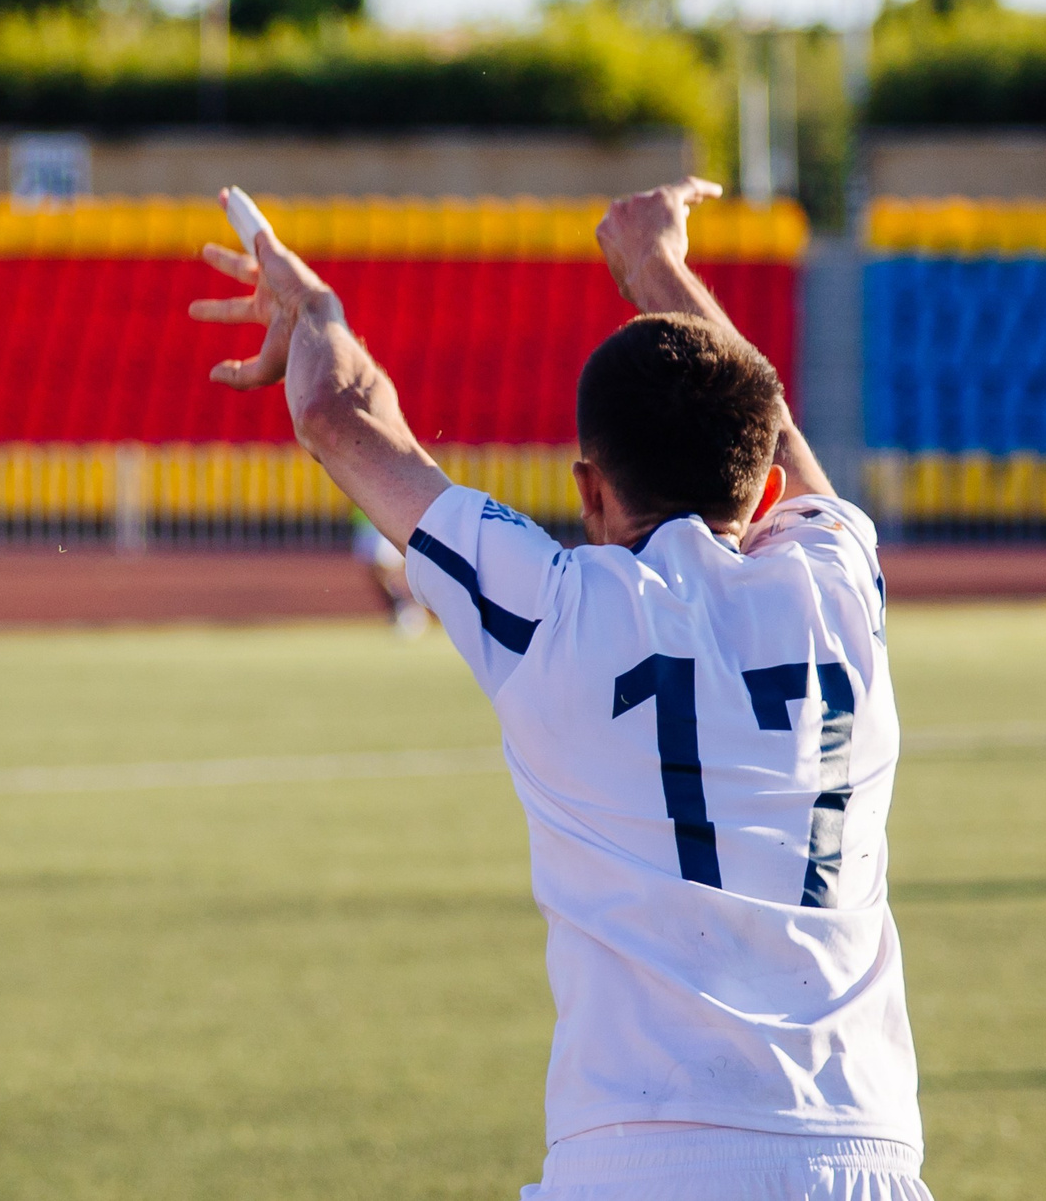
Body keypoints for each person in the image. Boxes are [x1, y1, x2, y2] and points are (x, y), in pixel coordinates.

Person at [193, 177, 927, 1201]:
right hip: (862, 1156)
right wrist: (657, 268)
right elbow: (780, 444)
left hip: (634, 1163)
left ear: (588, 489)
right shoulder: (841, 591)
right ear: (760, 488)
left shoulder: (552, 611)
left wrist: (314, 312)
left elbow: (339, 413)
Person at [350, 508, 431, 638]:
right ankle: (398, 608)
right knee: (374, 571)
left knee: (389, 568)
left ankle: (409, 608)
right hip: (365, 521)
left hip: (385, 521)